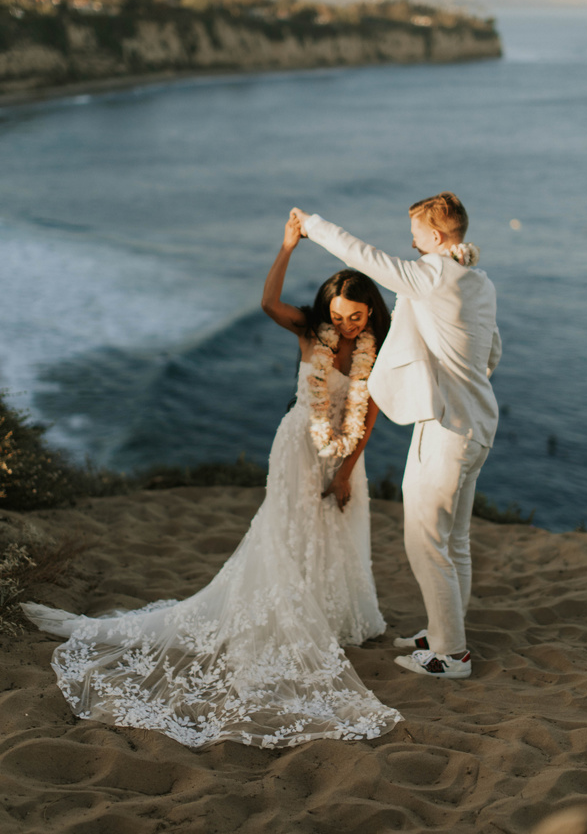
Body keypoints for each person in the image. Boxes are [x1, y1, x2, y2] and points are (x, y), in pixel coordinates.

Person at [22, 214, 401, 749]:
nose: (347, 326)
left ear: (370, 312)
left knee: (337, 532)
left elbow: (370, 416)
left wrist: (343, 471)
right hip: (297, 446)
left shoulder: (375, 349)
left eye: (356, 316)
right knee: (287, 531)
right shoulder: (309, 332)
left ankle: (327, 617)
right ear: (326, 311)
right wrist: (287, 246)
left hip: (343, 455)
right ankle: (288, 613)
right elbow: (270, 302)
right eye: (339, 316)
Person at [292, 192, 501, 680]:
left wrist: (311, 223)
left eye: (415, 231)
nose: (410, 240)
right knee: (456, 541)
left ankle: (451, 654)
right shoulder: (480, 281)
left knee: (425, 540)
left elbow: (360, 256)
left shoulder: (430, 276)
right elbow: (492, 351)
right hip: (479, 424)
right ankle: (444, 631)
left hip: (446, 428)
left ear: (435, 236)